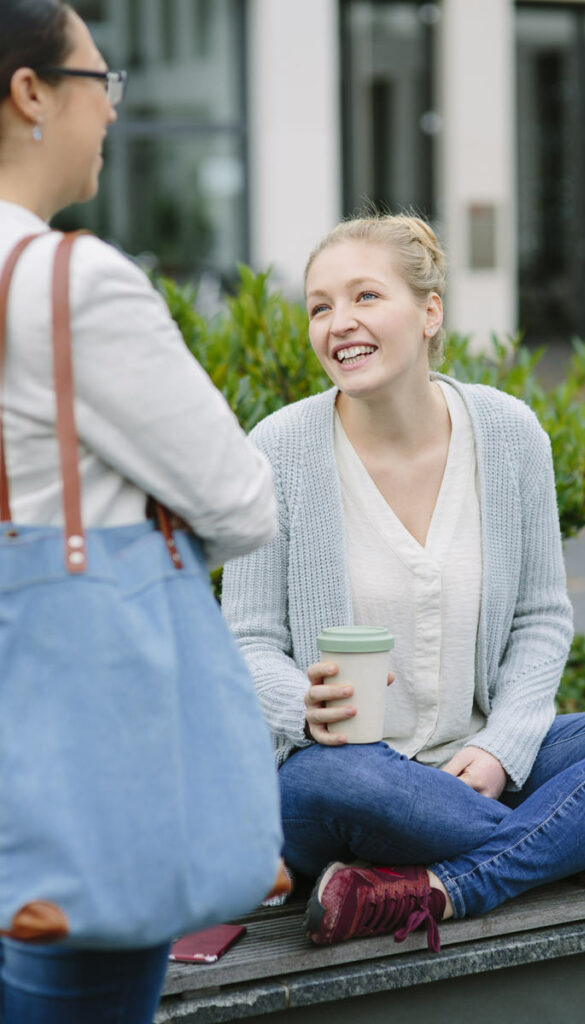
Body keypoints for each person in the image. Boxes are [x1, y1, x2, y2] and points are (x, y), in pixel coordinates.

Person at [222, 211, 585, 953]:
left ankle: (444, 886)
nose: (337, 323)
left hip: (477, 766)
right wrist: (302, 708)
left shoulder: (507, 434)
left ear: (430, 310)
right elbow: (243, 644)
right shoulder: (276, 450)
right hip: (345, 774)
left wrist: (502, 748)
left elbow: (540, 617)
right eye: (319, 306)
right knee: (341, 782)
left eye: (365, 297)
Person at [0, 2, 278, 1021]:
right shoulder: (67, 282)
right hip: (70, 805)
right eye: (99, 85)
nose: (111, 115)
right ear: (30, 93)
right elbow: (242, 501)